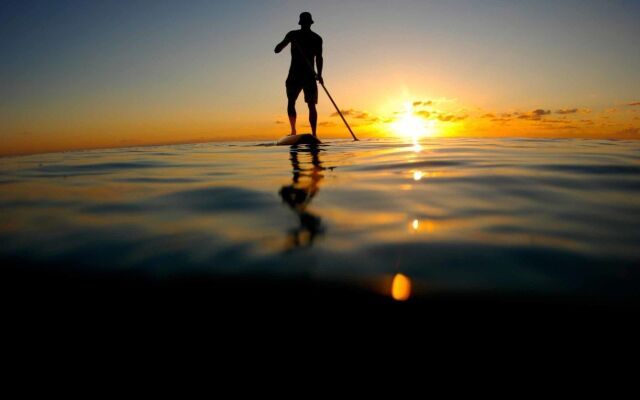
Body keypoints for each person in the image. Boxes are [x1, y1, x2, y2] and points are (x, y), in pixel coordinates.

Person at [274, 12, 323, 137]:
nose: (305, 24)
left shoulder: (317, 38)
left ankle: (314, 134)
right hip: (294, 75)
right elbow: (277, 50)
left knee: (311, 105)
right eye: (304, 22)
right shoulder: (292, 35)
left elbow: (319, 58)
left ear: (310, 23)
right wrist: (285, 42)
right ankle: (293, 131)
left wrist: (320, 74)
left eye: (307, 22)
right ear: (301, 23)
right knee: (291, 102)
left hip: (310, 75)